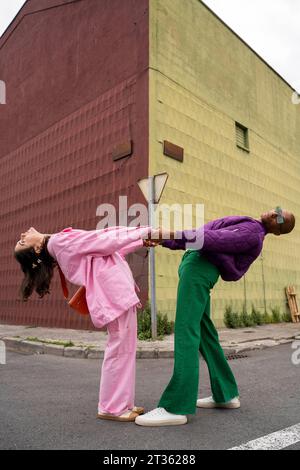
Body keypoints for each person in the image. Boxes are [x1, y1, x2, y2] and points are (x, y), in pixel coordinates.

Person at [135, 207, 296, 426]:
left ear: (277, 231)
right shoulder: (252, 228)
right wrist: (164, 240)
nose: (272, 213)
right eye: (276, 210)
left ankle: (176, 407)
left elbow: (210, 238)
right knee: (204, 333)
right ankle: (226, 394)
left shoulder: (251, 232)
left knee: (186, 330)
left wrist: (169, 234)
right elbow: (201, 235)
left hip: (199, 271)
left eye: (279, 218)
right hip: (200, 270)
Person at [14, 225, 161, 422]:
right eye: (22, 242)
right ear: (37, 249)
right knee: (119, 352)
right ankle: (111, 407)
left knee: (124, 352)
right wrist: (143, 232)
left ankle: (122, 403)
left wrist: (139, 241)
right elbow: (104, 240)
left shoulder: (58, 244)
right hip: (115, 296)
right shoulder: (59, 242)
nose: (22, 234)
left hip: (116, 296)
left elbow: (106, 249)